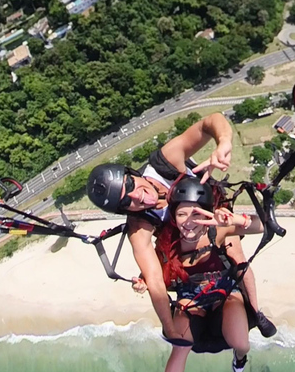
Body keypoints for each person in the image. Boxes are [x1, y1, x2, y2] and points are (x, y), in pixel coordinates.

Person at [86, 113, 276, 343]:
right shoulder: (139, 225)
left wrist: (223, 142)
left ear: (132, 174)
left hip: (214, 212)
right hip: (185, 233)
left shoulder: (164, 164)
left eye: (129, 184)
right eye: (127, 202)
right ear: (124, 210)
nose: (137, 196)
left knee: (236, 257)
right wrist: (169, 329)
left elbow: (210, 122)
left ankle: (256, 311)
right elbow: (155, 281)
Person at [158, 175, 264, 372]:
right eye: (182, 214)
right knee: (179, 349)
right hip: (189, 298)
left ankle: (239, 360)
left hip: (225, 293)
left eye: (196, 214)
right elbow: (154, 273)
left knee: (242, 344)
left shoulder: (216, 231)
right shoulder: (168, 241)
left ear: (206, 214)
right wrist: (141, 281)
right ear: (173, 216)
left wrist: (236, 220)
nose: (189, 222)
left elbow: (262, 226)